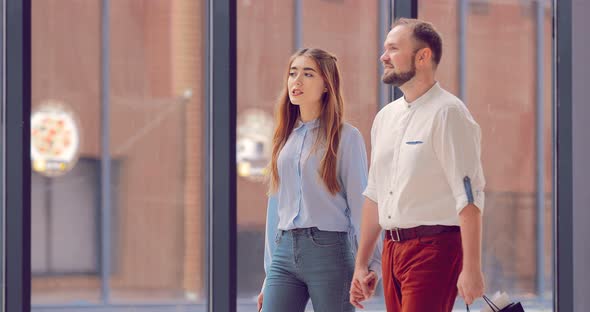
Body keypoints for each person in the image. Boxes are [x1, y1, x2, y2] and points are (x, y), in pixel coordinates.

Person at [349, 18, 486, 312]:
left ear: (423, 56)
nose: (383, 56)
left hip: (434, 249)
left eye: (393, 49)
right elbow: (374, 194)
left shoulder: (449, 114)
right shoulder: (384, 118)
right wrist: (361, 265)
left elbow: (469, 197)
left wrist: (472, 268)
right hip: (391, 250)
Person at [257, 48, 381, 312]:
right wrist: (268, 275)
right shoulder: (284, 137)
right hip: (284, 252)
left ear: (326, 84)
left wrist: (370, 264)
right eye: (292, 73)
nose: (296, 81)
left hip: (330, 252)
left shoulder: (347, 137)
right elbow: (275, 207)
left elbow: (362, 204)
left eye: (307, 73)